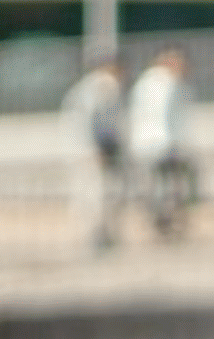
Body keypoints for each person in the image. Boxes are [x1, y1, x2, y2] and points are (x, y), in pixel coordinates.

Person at [125, 44, 196, 241]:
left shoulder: (146, 82)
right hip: (161, 145)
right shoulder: (166, 83)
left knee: (156, 188)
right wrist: (175, 145)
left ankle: (162, 224)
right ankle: (165, 224)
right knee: (167, 188)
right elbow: (165, 118)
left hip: (145, 144)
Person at [59, 54, 129, 253]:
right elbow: (88, 120)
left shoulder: (95, 87)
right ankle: (91, 238)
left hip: (88, 150)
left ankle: (97, 236)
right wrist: (93, 148)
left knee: (94, 195)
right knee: (93, 196)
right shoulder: (99, 86)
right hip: (87, 151)